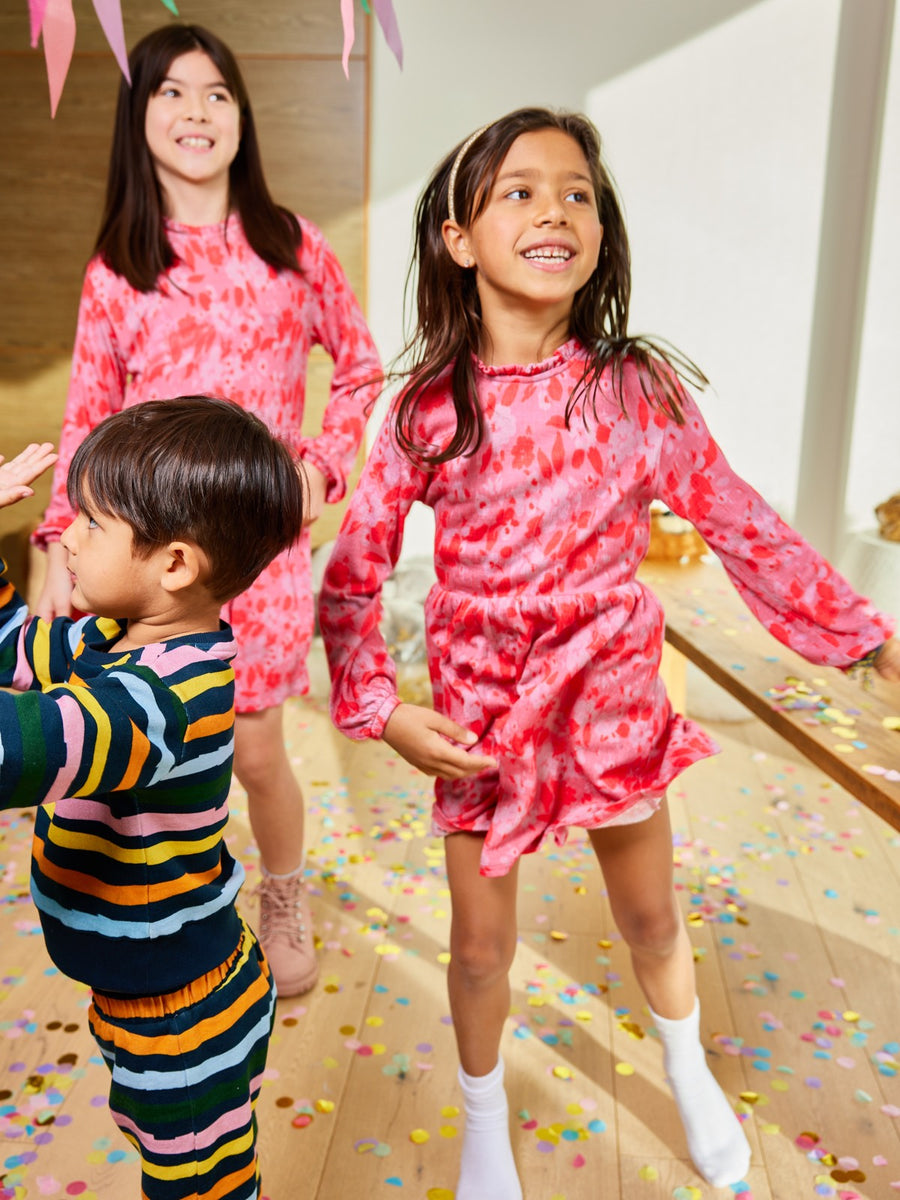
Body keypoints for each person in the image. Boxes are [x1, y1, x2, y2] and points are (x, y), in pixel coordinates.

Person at [318, 107, 900, 1198]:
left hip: (611, 697)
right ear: (458, 237)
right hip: (481, 714)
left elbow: (737, 519)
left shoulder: (636, 392)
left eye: (577, 192)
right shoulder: (425, 410)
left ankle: (687, 1069)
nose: (556, 210)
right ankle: (484, 1122)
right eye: (521, 192)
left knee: (650, 920)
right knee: (483, 950)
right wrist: (384, 711)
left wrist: (865, 640)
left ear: (602, 228)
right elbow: (352, 576)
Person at [31, 23, 382, 997]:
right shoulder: (119, 270)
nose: (197, 111)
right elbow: (86, 418)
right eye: (172, 93)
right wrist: (61, 545)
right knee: (151, 743)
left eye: (217, 93)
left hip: (259, 557)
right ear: (137, 121)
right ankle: (162, 903)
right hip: (147, 558)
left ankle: (280, 889)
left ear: (242, 115)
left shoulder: (292, 245)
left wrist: (318, 464)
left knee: (255, 752)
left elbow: (357, 370)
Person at [1, 397, 306, 1200]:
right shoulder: (110, 637)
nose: (63, 535)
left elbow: (20, 751)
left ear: (174, 564)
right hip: (138, 994)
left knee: (199, 1184)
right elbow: (11, 648)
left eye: (90, 523)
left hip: (183, 1016)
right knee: (170, 1156)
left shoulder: (166, 697)